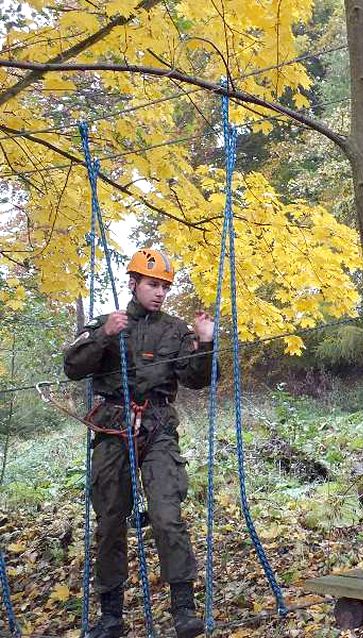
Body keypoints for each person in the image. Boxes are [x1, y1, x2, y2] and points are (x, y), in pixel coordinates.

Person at [64, 248, 214, 638]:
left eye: (165, 286)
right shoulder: (108, 323)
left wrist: (205, 343)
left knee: (167, 516)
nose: (160, 292)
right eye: (153, 284)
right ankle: (111, 615)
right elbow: (72, 368)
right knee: (110, 521)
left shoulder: (177, 329)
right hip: (114, 430)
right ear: (133, 283)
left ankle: (183, 608)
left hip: (159, 429)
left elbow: (196, 379)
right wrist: (102, 336)